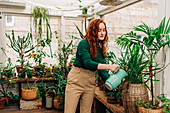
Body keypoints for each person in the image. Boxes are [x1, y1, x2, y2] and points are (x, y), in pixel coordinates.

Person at [64, 19, 120, 113]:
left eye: (104, 30)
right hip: (76, 81)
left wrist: (111, 83)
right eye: (99, 31)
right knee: (69, 111)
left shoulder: (100, 48)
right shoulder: (83, 44)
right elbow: (87, 63)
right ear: (93, 31)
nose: (102, 33)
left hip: (90, 83)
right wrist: (109, 67)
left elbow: (102, 72)